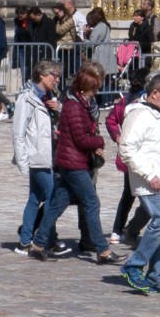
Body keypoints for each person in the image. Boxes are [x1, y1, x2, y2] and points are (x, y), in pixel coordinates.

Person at [117, 71, 160, 296]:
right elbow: (127, 149)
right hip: (150, 181)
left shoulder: (159, 115)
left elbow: (157, 144)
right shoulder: (139, 115)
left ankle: (157, 277)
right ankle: (134, 265)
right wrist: (149, 175)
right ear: (154, 93)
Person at [44, 62, 118, 263]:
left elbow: (90, 128)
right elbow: (77, 135)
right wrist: (98, 141)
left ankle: (40, 241)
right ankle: (100, 248)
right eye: (95, 85)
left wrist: (95, 146)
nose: (97, 91)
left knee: (61, 201)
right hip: (72, 159)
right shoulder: (73, 103)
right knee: (89, 201)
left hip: (81, 157)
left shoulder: (87, 102)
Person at [11, 58, 62, 258]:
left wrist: (58, 109)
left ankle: (25, 241)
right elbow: (18, 132)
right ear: (41, 75)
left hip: (48, 155)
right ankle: (45, 239)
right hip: (37, 156)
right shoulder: (27, 98)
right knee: (52, 197)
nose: (56, 80)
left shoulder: (49, 97)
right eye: (53, 76)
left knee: (34, 199)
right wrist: (23, 161)